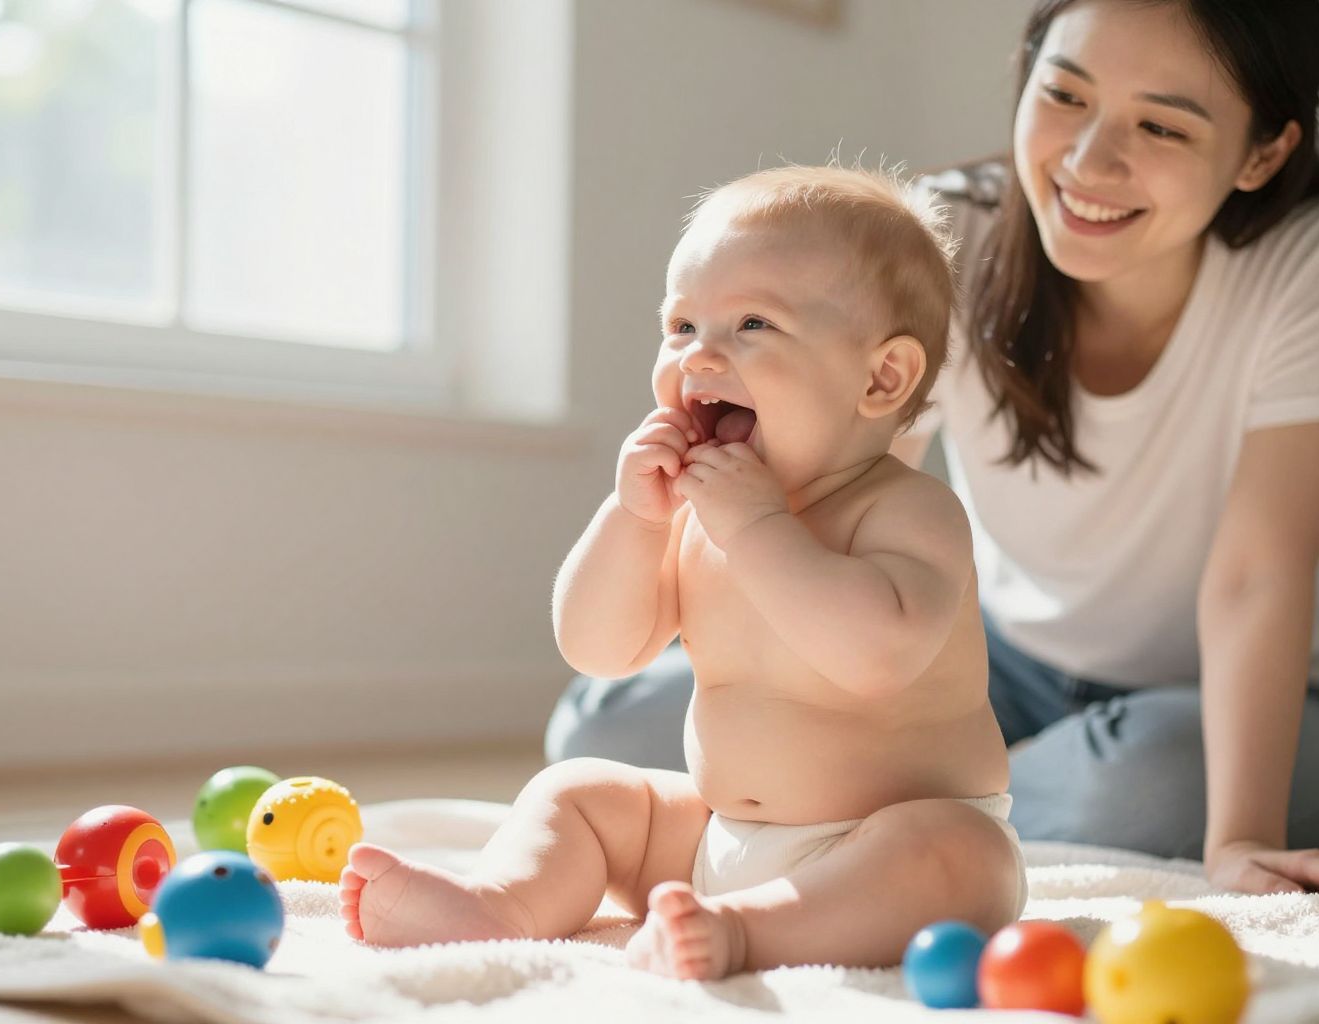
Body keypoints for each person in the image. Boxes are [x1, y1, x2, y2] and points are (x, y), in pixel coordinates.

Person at [546, 0, 1319, 897]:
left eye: (1159, 123)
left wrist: (1238, 841)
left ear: (1264, 153)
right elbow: (850, 475)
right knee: (611, 728)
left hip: (1218, 700)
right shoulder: (944, 231)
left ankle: (934, 813)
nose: (1088, 162)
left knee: (1149, 789)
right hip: (983, 662)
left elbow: (1258, 572)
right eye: (1066, 95)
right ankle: (926, 801)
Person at [338, 165, 1028, 977]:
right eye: (680, 326)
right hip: (713, 832)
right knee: (582, 792)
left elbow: (873, 656)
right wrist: (634, 518)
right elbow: (599, 648)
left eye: (752, 326)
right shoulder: (699, 512)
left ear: (881, 378)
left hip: (880, 844)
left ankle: (745, 934)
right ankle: (500, 904)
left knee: (960, 855)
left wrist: (761, 527)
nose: (699, 356)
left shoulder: (907, 511)